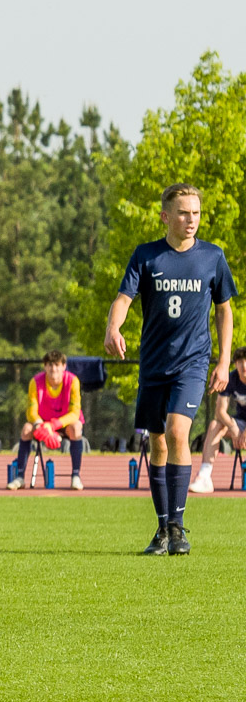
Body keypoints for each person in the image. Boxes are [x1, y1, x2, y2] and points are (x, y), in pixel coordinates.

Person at [104, 183, 236, 557]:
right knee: (158, 442)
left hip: (192, 364)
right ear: (165, 216)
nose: (190, 219)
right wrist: (113, 327)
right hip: (153, 365)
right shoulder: (146, 256)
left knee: (179, 431)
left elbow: (225, 309)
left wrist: (223, 360)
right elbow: (123, 299)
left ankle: (178, 528)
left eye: (195, 213)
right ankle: (163, 530)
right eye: (182, 212)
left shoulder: (213, 257)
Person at [7, 350, 85, 491]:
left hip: (64, 424)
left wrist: (53, 425)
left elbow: (75, 413)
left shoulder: (73, 381)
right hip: (42, 424)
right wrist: (40, 425)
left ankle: (76, 476)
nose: (53, 368)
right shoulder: (35, 382)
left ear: (63, 366)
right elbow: (31, 411)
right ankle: (20, 477)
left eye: (56, 365)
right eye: (50, 365)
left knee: (76, 428)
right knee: (26, 429)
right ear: (45, 366)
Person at [189, 346, 246, 493]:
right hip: (240, 422)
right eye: (240, 361)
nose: (244, 365)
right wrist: (233, 427)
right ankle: (204, 476)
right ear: (235, 364)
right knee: (215, 424)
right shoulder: (231, 378)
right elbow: (220, 411)